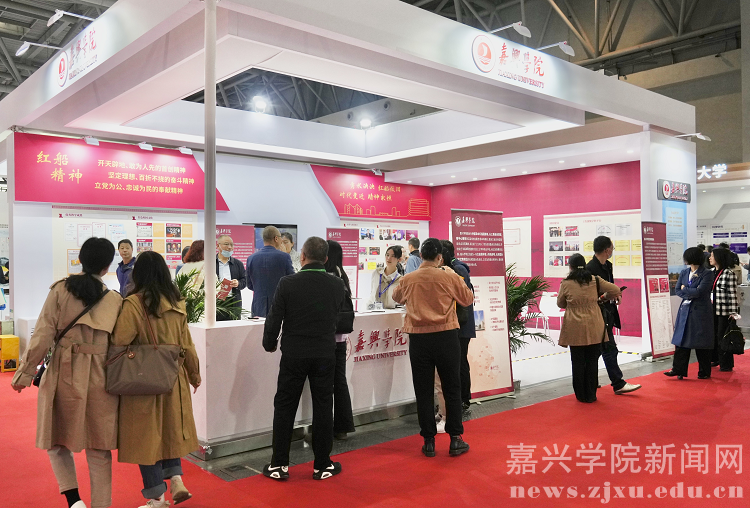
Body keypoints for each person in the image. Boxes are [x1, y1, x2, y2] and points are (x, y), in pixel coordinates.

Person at [11, 238, 123, 508]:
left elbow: (43, 334)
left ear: (81, 260)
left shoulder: (60, 290)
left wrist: (24, 374)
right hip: (101, 375)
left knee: (55, 438)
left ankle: (74, 501)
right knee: (99, 446)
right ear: (107, 266)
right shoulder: (115, 300)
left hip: (63, 371)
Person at [112, 251, 201, 508]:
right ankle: (176, 478)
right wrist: (194, 374)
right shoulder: (177, 302)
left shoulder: (134, 304)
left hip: (142, 379)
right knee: (170, 430)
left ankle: (157, 498)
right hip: (173, 377)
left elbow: (120, 340)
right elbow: (187, 343)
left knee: (145, 438)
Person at [262, 237, 347, 481]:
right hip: (324, 353)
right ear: (326, 259)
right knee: (323, 406)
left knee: (285, 405)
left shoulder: (287, 283)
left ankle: (279, 464)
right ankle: (322, 464)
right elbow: (336, 315)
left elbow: (274, 317)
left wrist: (269, 343)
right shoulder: (336, 284)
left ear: (302, 257)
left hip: (294, 353)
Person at [392, 238, 474, 458]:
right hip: (446, 337)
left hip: (419, 339)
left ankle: (428, 441)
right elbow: (467, 299)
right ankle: (455, 438)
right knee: (452, 387)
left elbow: (396, 297)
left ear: (421, 256)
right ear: (439, 257)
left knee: (423, 390)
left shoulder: (409, 278)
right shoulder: (449, 276)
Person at [557, 254, 622, 403]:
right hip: (594, 324)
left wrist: (572, 304)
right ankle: (591, 395)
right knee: (592, 361)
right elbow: (615, 289)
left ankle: (581, 395)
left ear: (570, 267)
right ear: (585, 265)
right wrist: (602, 298)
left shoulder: (566, 283)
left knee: (578, 361)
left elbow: (560, 303)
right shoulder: (595, 280)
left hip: (574, 326)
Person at [586, 236, 641, 395]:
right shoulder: (590, 269)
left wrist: (617, 295)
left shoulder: (608, 266)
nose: (612, 251)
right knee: (609, 349)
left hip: (608, 311)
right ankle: (618, 383)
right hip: (598, 313)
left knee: (598, 350)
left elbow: (610, 285)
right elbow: (590, 294)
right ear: (607, 250)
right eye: (612, 248)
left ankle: (591, 380)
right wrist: (604, 297)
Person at [664, 247, 714, 380]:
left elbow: (700, 291)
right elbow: (677, 290)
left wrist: (685, 289)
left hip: (701, 311)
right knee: (681, 339)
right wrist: (689, 292)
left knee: (701, 341)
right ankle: (678, 369)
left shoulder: (707, 273)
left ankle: (704, 371)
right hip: (685, 310)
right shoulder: (684, 272)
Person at [440, 240, 476, 415]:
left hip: (461, 325)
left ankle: (463, 399)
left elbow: (464, 299)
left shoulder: (458, 270)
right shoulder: (453, 269)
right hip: (456, 324)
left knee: (460, 363)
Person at [324, 240, 355, 441]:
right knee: (340, 381)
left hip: (327, 338)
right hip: (340, 339)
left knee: (326, 384)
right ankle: (342, 427)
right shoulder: (341, 275)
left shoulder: (328, 277)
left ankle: (327, 427)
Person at [246, 226, 295, 318]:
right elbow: (292, 281)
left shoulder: (251, 258)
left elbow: (249, 285)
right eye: (280, 238)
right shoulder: (284, 257)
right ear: (276, 238)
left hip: (258, 305)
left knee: (258, 328)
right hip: (279, 305)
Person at [709, 247, 740, 372]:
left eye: (712, 256)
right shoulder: (711, 272)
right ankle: (715, 358)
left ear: (719, 258)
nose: (710, 258)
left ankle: (726, 363)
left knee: (723, 336)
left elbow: (733, 295)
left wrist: (733, 313)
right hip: (712, 309)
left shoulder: (728, 273)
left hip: (724, 311)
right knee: (713, 335)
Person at [216, 235, 247, 321]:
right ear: (218, 246)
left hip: (234, 302)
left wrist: (238, 283)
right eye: (226, 244)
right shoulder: (211, 263)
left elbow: (244, 281)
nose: (229, 247)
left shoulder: (238, 264)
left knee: (234, 327)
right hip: (216, 303)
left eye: (232, 245)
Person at [366, 245, 402, 310]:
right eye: (387, 255)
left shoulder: (399, 279)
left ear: (399, 259)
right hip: (374, 310)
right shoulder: (377, 273)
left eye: (393, 256)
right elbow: (372, 293)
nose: (389, 258)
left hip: (391, 312)